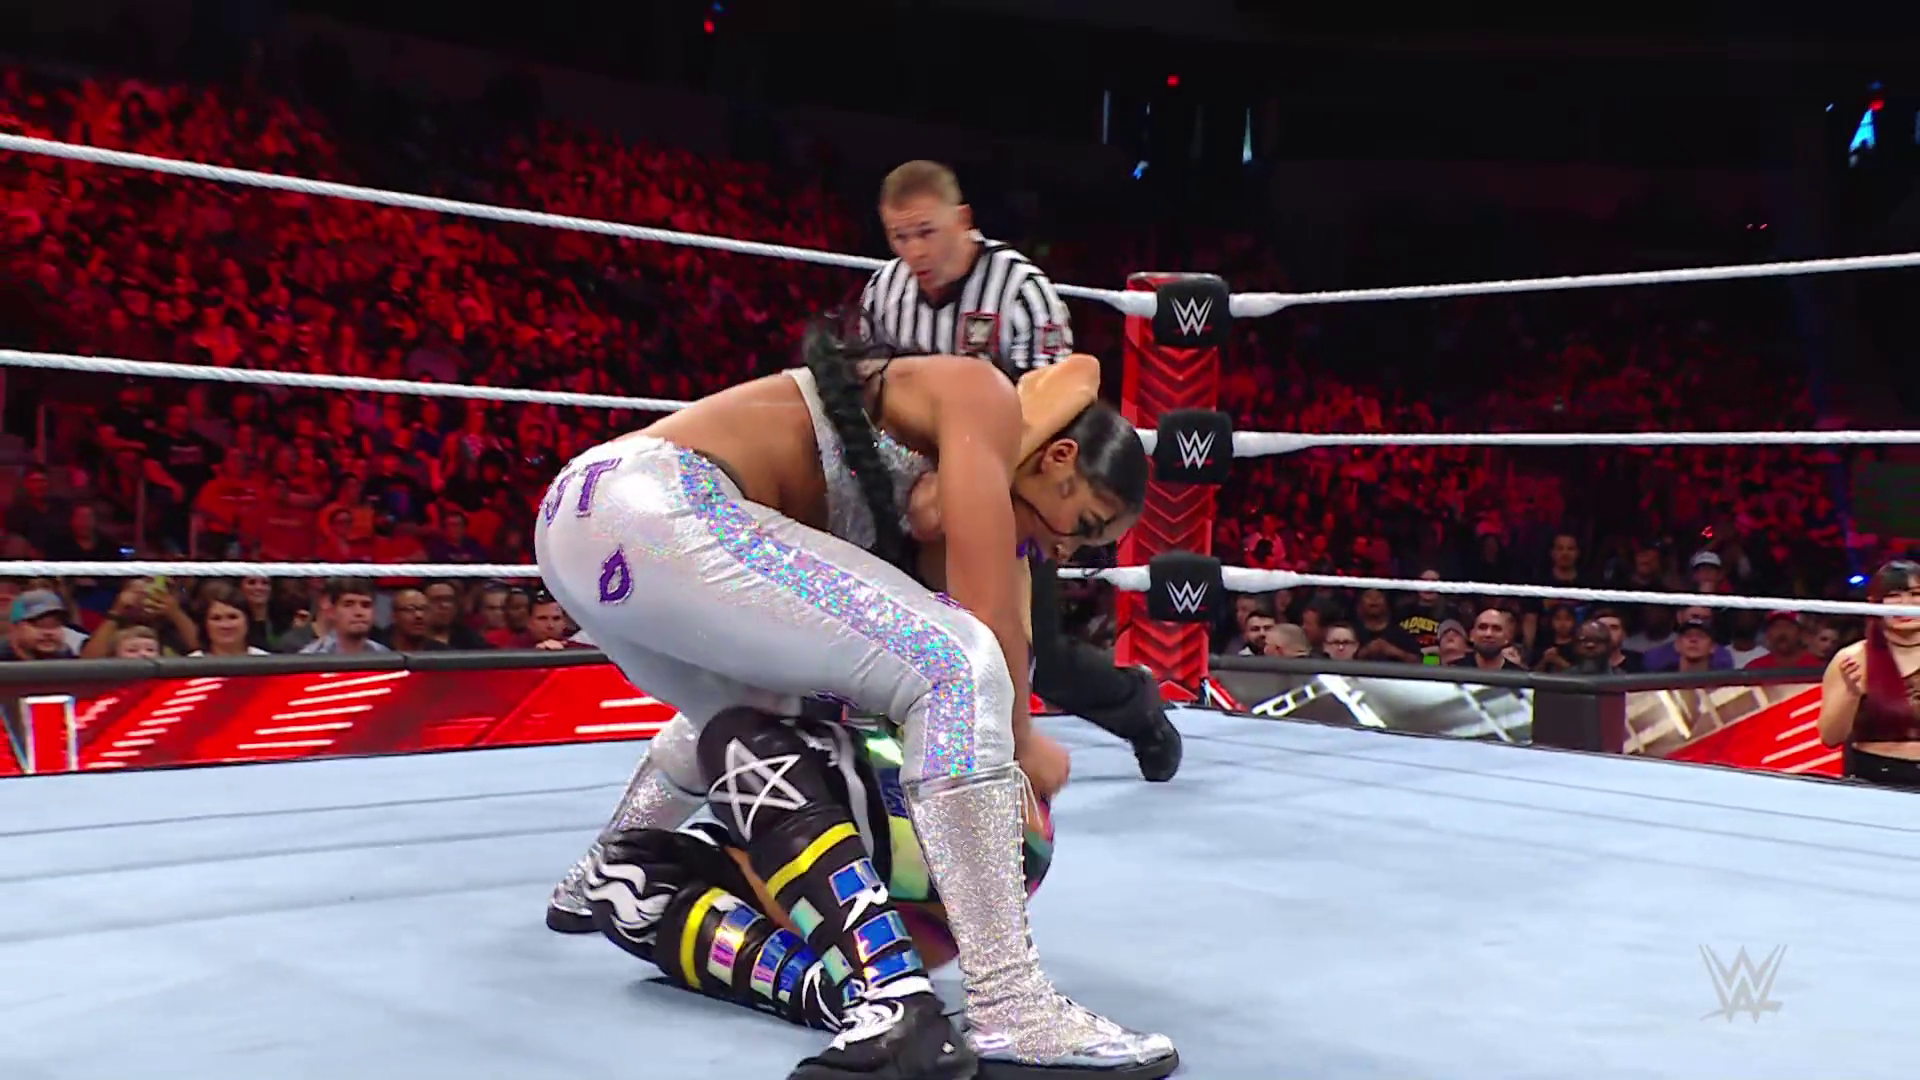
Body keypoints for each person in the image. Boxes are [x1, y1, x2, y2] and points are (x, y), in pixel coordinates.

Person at [536, 318, 1171, 1079]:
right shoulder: (982, 395)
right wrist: (1021, 744)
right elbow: (983, 617)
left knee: (755, 713)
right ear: (1058, 456)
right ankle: (1012, 1003)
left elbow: (959, 542)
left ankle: (603, 871)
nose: (1066, 550)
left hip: (582, 529)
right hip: (658, 504)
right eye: (1084, 525)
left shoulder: (919, 479)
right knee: (959, 665)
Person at [861, 159, 1181, 783]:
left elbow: (1059, 405)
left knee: (1038, 658)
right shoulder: (885, 291)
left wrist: (977, 476)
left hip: (1016, 492)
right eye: (899, 236)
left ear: (962, 220)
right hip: (913, 490)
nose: (914, 251)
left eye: (926, 232)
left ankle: (1138, 708)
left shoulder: (1019, 291)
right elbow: (871, 395)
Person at [584, 703, 1055, 1033]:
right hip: (974, 837)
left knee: (735, 745)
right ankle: (839, 989)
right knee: (623, 882)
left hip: (946, 818)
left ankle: (877, 982)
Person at [1816, 559, 1920, 789]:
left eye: (1915, 594)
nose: (1905, 604)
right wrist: (1851, 696)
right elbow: (1830, 738)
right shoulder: (1853, 659)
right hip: (1876, 781)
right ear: (1875, 603)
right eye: (1893, 596)